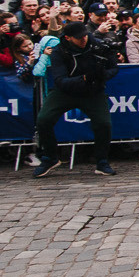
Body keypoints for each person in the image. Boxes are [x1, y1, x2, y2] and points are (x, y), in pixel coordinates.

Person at [30, 20, 117, 178]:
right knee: (43, 120)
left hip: (93, 92)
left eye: (85, 36)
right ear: (68, 38)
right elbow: (60, 80)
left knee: (104, 124)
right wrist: (84, 78)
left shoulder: (97, 45)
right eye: (79, 38)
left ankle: (102, 162)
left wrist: (102, 76)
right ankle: (50, 157)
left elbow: (113, 67)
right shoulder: (58, 51)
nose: (83, 39)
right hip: (65, 92)